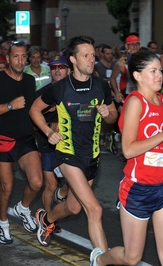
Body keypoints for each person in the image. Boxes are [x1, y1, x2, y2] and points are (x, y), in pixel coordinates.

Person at [89, 49, 163, 266]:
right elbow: (128, 149)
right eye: (153, 71)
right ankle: (100, 259)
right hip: (138, 189)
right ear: (137, 76)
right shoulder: (135, 102)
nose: (160, 75)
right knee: (132, 258)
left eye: (160, 70)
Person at [29, 36, 118, 251]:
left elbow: (113, 115)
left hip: (93, 156)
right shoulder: (59, 88)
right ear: (73, 59)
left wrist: (109, 114)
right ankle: (102, 259)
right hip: (68, 155)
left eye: (92, 56)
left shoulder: (101, 86)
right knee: (94, 210)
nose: (90, 60)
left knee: (74, 207)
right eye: (85, 55)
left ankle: (46, 218)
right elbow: (34, 109)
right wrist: (48, 131)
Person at [0, 42, 43, 244]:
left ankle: (23, 208)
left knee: (37, 182)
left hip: (25, 140)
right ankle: (3, 224)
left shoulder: (29, 80)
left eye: (23, 56)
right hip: (3, 141)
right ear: (7, 59)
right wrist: (10, 106)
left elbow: (32, 109)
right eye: (15, 56)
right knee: (7, 187)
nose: (20, 60)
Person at [35, 56, 70, 233]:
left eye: (61, 67)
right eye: (54, 67)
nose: (57, 70)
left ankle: (61, 194)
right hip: (47, 144)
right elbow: (32, 118)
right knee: (50, 184)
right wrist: (49, 127)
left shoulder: (75, 90)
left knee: (74, 183)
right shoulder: (44, 92)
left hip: (70, 143)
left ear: (69, 69)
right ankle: (48, 219)